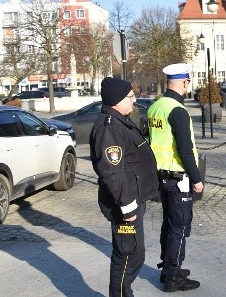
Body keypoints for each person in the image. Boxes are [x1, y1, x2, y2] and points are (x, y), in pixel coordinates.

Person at [89, 77, 159, 297]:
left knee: (134, 253)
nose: (134, 100)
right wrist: (127, 206)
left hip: (132, 198)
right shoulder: (109, 127)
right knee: (127, 254)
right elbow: (111, 171)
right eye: (130, 97)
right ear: (116, 100)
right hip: (125, 203)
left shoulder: (120, 120)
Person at [147, 63, 203, 292]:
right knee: (179, 226)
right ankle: (172, 277)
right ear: (184, 82)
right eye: (188, 81)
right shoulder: (177, 110)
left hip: (160, 176)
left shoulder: (155, 107)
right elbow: (185, 149)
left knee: (169, 224)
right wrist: (196, 178)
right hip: (177, 177)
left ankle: (169, 268)